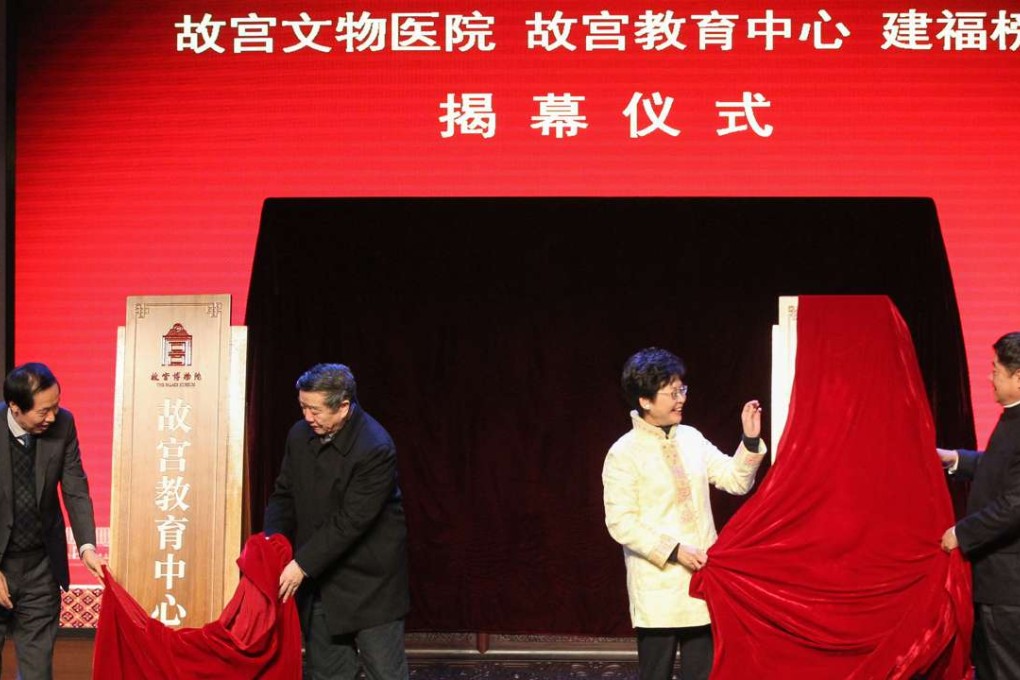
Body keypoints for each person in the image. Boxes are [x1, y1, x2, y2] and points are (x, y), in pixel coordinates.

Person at [602, 347, 766, 680]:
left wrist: (749, 439)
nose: (681, 399)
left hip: (702, 582)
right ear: (645, 401)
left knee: (704, 674)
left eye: (682, 390)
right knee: (655, 674)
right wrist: (675, 550)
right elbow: (621, 522)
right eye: (672, 392)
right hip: (657, 588)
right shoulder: (623, 453)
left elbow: (735, 480)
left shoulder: (691, 439)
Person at [264, 363, 410, 680]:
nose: (307, 417)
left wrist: (301, 564)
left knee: (384, 673)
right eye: (303, 407)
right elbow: (284, 494)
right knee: (327, 673)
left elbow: (351, 522)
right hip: (320, 580)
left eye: (315, 410)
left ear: (344, 406)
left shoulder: (375, 447)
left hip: (370, 584)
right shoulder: (299, 435)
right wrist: (271, 542)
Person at [0, 362, 105, 679]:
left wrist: (87, 547)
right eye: (44, 411)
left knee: (37, 671)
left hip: (40, 566)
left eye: (56, 406)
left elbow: (75, 487)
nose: (53, 417)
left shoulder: (63, 424)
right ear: (16, 409)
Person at [938, 331, 1020, 679]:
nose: (990, 377)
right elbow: (1001, 465)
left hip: (1009, 589)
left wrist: (962, 533)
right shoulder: (1013, 417)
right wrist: (956, 459)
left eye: (996, 370)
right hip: (995, 584)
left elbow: (1016, 503)